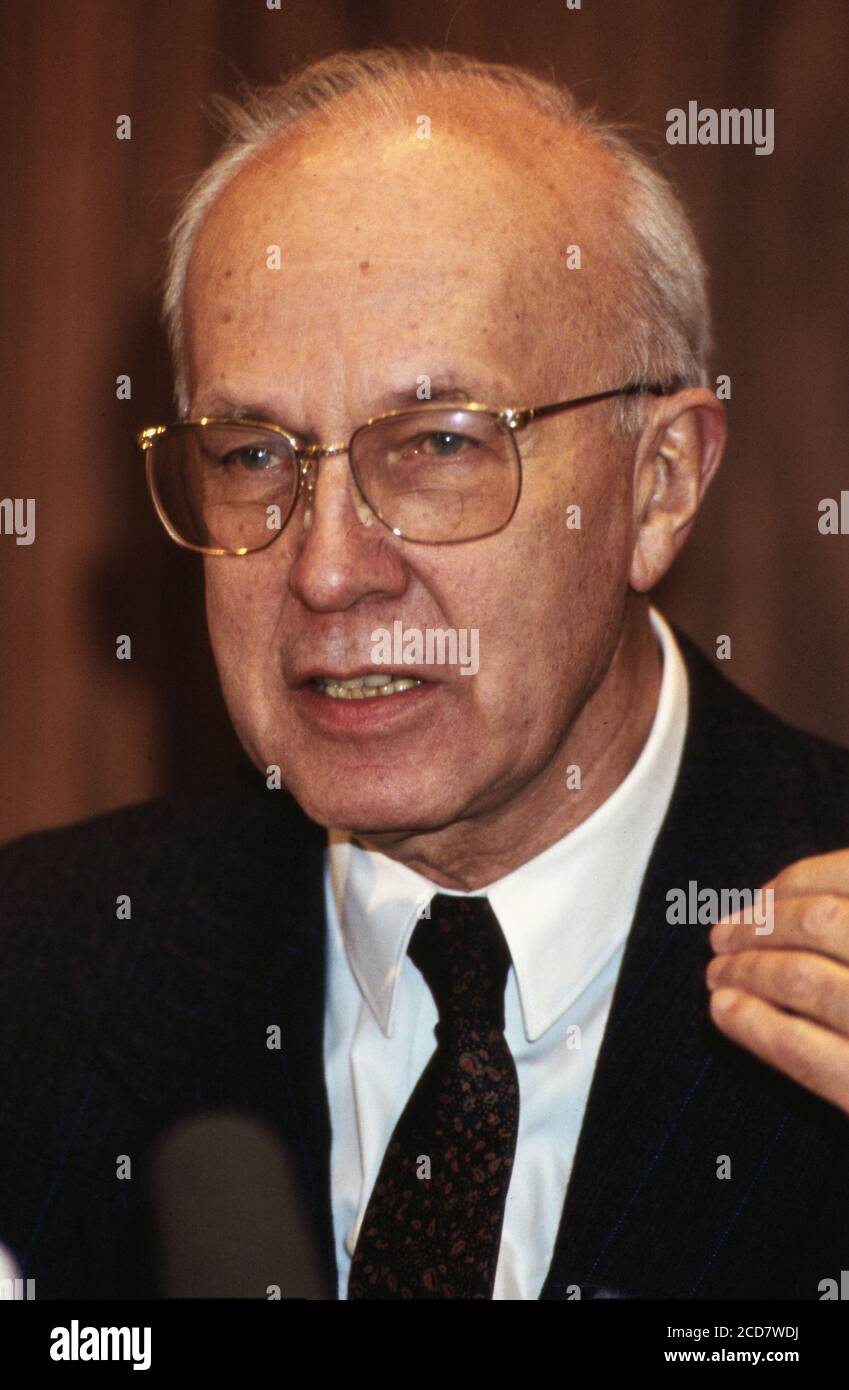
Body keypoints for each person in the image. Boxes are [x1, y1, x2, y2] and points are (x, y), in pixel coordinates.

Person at [2, 46, 849, 1301]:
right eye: (249, 456)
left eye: (441, 443)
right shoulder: (36, 977)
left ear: (659, 482)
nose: (328, 569)